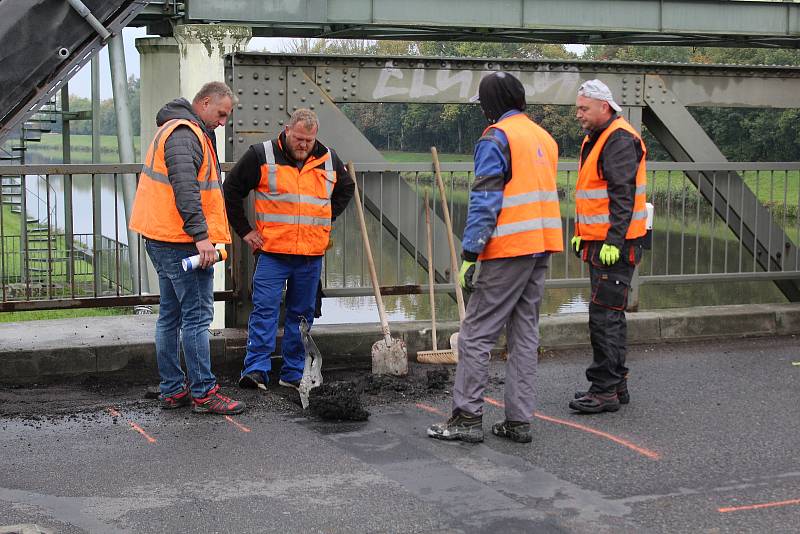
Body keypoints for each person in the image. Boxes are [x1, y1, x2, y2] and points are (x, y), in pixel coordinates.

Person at [427, 72, 563, 444]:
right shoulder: (544, 138)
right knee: (524, 334)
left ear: (492, 104)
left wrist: (471, 254)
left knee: (475, 334)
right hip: (541, 246)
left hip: (507, 250)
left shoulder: (496, 138)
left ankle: (466, 418)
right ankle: (519, 421)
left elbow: (486, 200)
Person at [129, 82, 245, 415]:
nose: (223, 122)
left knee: (170, 316)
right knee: (196, 318)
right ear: (204, 102)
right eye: (221, 114)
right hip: (181, 241)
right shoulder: (185, 134)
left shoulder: (176, 127)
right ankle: (204, 393)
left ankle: (172, 390)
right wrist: (202, 238)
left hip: (162, 236)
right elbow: (186, 191)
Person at [223, 108, 354, 391]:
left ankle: (293, 372)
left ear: (315, 137)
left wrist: (326, 218)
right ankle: (256, 369)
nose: (303, 145)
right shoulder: (262, 155)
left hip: (310, 255)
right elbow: (231, 189)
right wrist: (245, 231)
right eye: (298, 139)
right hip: (272, 252)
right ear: (287, 130)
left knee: (302, 315)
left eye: (308, 140)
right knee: (264, 310)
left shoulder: (328, 158)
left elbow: (346, 188)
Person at [569, 79, 647, 414]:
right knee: (609, 315)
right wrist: (582, 233)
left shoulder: (616, 138)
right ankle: (615, 384)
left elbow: (621, 194)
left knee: (604, 317)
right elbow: (597, 194)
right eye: (578, 108)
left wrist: (613, 240)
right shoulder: (601, 137)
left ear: (605, 107)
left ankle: (604, 391)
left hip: (614, 245)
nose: (578, 114)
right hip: (600, 242)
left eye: (584, 108)